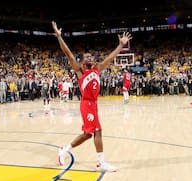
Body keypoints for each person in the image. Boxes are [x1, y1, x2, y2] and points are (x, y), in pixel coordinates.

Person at [52, 21, 132, 172]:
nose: (89, 58)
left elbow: (109, 58)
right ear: (82, 61)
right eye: (86, 57)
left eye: (90, 56)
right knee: (97, 131)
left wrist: (121, 46)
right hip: (86, 104)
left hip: (94, 104)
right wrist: (58, 36)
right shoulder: (80, 71)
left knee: (88, 134)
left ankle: (64, 150)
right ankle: (101, 162)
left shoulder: (97, 69)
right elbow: (68, 53)